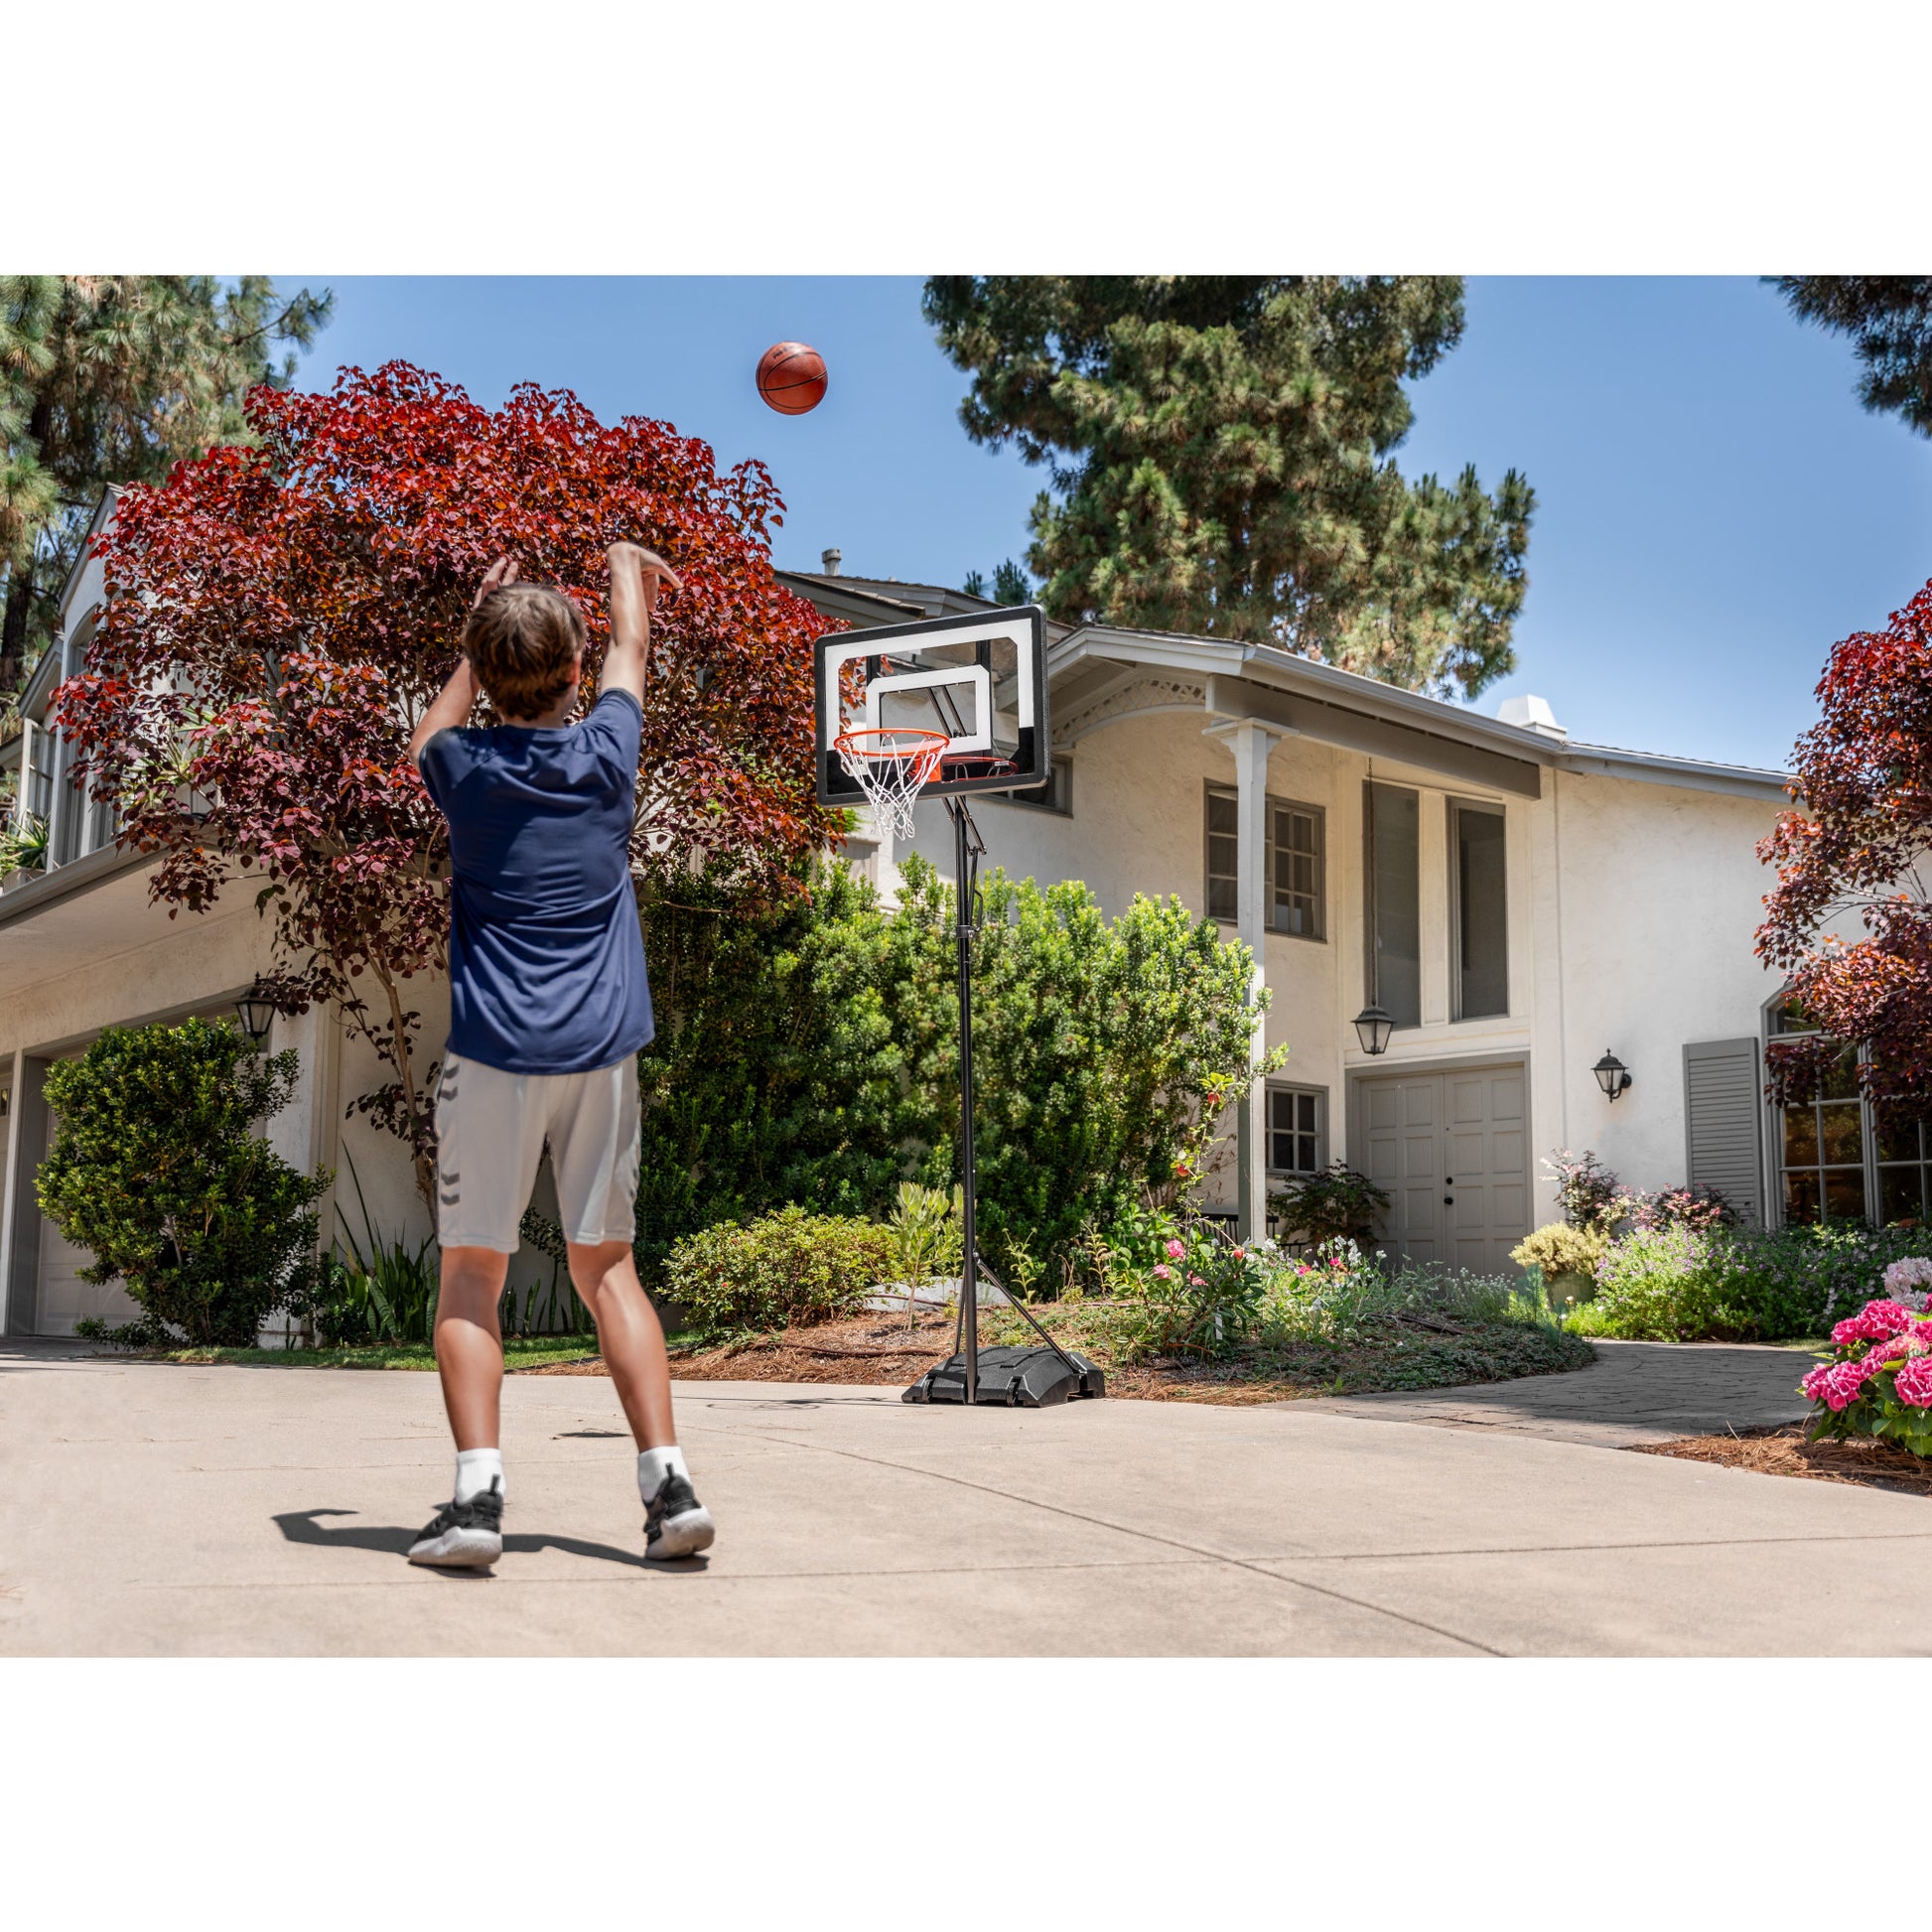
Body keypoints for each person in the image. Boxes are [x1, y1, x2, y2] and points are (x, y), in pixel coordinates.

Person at [401, 542, 714, 1568]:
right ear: (575, 669)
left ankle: (476, 1501)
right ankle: (668, 1486)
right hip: (600, 1052)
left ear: (488, 675)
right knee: (609, 1269)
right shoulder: (607, 756)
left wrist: (478, 633)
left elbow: (430, 729)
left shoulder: (463, 770)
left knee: (470, 1276)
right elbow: (633, 646)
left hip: (493, 1053)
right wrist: (625, 562)